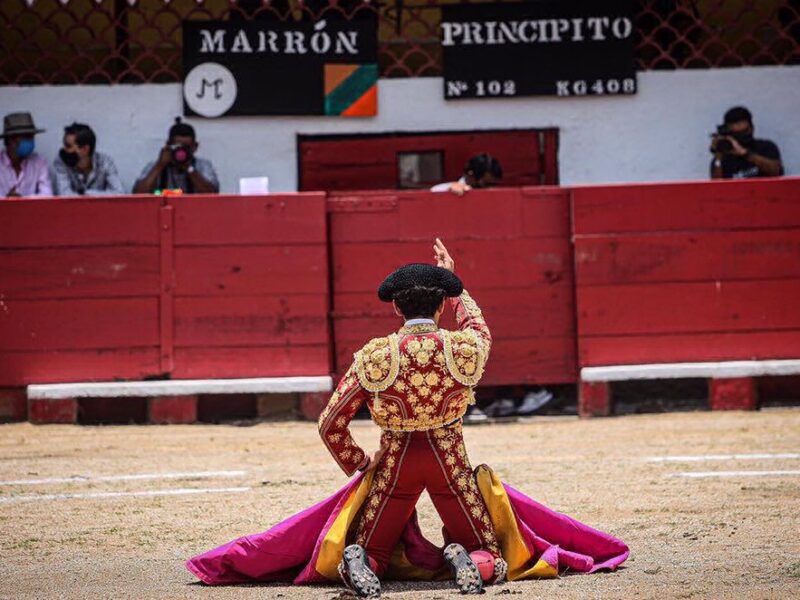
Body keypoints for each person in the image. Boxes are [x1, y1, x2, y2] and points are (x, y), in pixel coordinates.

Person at [186, 239, 629, 596]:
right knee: (485, 549)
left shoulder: (377, 356)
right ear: (440, 306)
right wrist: (460, 286)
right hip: (449, 463)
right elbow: (478, 326)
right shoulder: (464, 349)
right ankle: (468, 560)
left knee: (375, 548)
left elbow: (329, 423)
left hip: (394, 463)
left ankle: (363, 561)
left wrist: (358, 464)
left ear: (396, 309)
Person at [133, 117, 219, 194]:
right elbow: (138, 194)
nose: (182, 151)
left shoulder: (203, 166)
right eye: (177, 147)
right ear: (168, 145)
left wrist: (189, 168)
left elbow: (212, 194)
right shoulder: (155, 166)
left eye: (186, 148)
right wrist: (159, 166)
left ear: (195, 147)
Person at [710, 106, 783, 179]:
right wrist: (718, 156)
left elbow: (777, 171)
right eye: (735, 134)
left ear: (752, 128)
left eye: (743, 132)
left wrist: (745, 153)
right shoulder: (723, 157)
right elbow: (716, 185)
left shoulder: (766, 147)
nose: (739, 137)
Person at [52, 122, 124, 196]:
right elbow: (64, 195)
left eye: (68, 146)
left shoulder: (105, 162)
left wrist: (86, 194)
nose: (64, 149)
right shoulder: (61, 161)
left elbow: (119, 193)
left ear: (85, 149)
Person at [0, 112, 52, 197]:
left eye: (32, 137)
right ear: (10, 140)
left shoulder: (39, 162)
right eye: (26, 137)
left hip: (32, 210)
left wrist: (23, 200)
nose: (30, 141)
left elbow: (47, 195)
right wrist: (6, 201)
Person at [430, 153, 503, 195]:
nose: (490, 189)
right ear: (471, 175)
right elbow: (434, 191)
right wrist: (450, 190)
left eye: (493, 184)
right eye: (486, 184)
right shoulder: (443, 189)